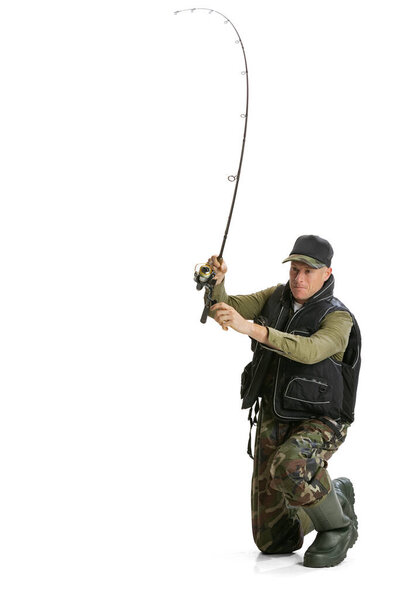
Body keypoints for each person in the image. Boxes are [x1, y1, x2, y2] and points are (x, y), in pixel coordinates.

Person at [207, 234, 360, 568]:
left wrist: (251, 329)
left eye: (308, 270)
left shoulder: (338, 318)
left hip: (321, 418)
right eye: (294, 269)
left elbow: (309, 350)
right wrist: (216, 286)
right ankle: (328, 499)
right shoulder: (275, 297)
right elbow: (227, 305)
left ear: (327, 273)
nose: (299, 278)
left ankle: (337, 524)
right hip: (276, 413)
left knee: (290, 466)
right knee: (273, 541)